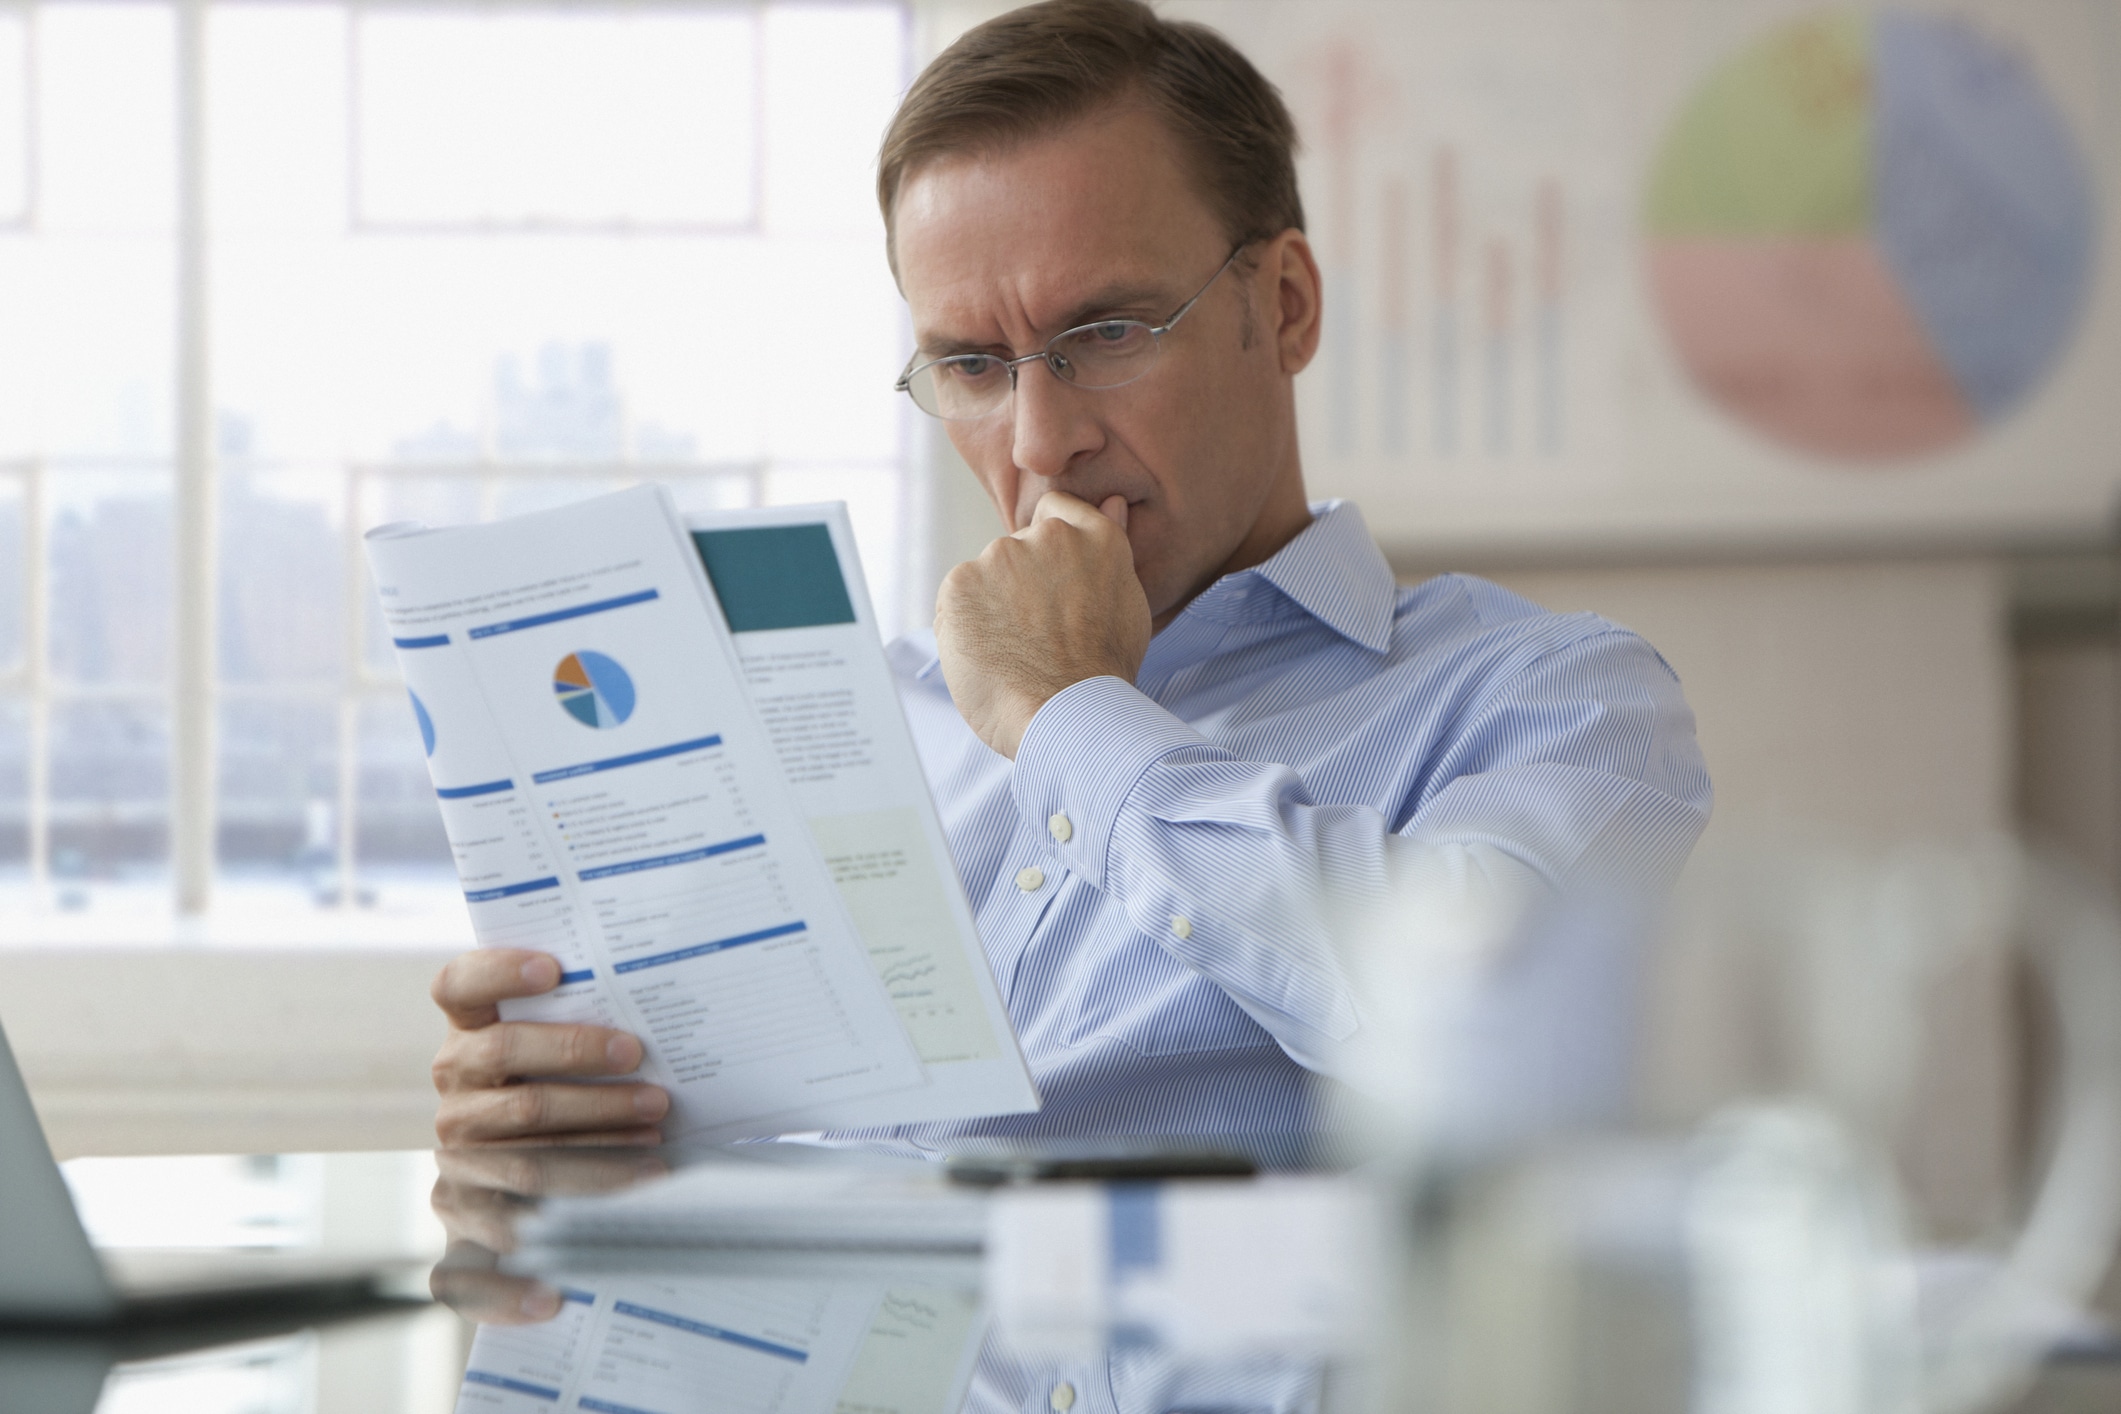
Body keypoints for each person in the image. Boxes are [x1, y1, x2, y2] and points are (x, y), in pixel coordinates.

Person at [426, 0, 1712, 1147]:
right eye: (974, 366)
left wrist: (1067, 718)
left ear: (1289, 307)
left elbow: (1490, 1049)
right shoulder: (855, 730)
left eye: (1104, 333)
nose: (1042, 444)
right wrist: (578, 1115)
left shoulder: (1557, 698)